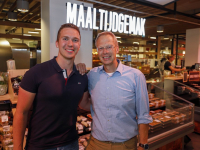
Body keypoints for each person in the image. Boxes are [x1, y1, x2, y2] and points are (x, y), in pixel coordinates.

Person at [13, 23, 88, 150]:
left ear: (79, 45)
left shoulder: (82, 76)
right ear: (57, 43)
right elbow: (21, 113)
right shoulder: (36, 72)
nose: (70, 44)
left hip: (71, 144)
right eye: (65, 38)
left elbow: (85, 104)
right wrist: (17, 148)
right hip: (40, 145)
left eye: (75, 40)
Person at [79, 31, 152, 150]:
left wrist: (143, 145)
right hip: (96, 143)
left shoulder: (136, 76)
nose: (105, 52)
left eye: (109, 47)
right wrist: (79, 74)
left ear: (117, 49)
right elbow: (85, 104)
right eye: (101, 48)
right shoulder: (92, 75)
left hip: (125, 145)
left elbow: (143, 115)